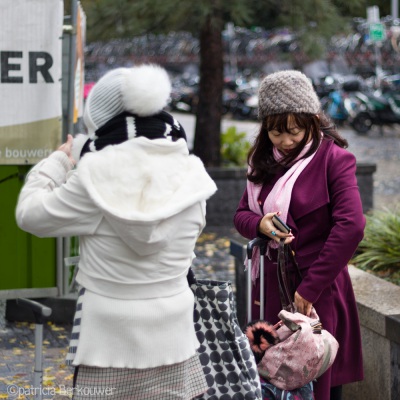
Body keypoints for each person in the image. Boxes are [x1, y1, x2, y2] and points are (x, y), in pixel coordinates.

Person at [16, 64, 217, 399]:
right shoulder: (193, 174)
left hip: (106, 340)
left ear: (100, 118)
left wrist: (59, 161)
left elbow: (29, 215)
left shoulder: (92, 178)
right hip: (175, 334)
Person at [233, 70, 365, 400]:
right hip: (269, 291)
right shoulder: (262, 162)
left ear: (311, 121)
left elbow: (351, 225)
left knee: (317, 374)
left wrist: (309, 289)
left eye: (294, 131)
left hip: (317, 290)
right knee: (273, 378)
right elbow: (240, 216)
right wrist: (259, 225)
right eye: (276, 132)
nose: (286, 141)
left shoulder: (333, 159)